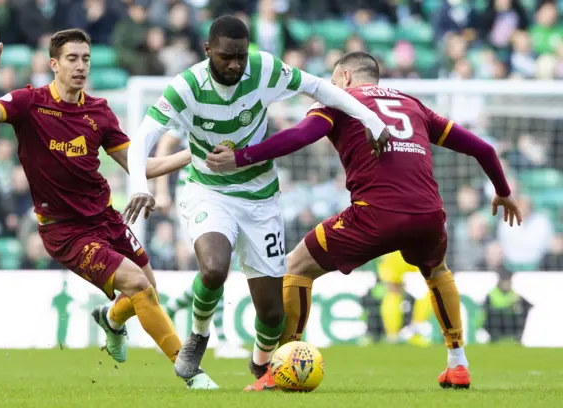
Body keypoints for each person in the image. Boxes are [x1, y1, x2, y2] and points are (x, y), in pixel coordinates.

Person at [205, 51, 523, 390]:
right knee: (437, 272)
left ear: (343, 76)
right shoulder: (413, 105)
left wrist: (241, 157)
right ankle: (458, 364)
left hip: (375, 214)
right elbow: (484, 150)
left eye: (331, 80)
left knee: (296, 267)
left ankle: (281, 367)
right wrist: (503, 191)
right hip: (428, 215)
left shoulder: (338, 100)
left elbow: (299, 137)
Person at [123, 16, 389, 390]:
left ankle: (260, 365)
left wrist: (370, 119)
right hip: (209, 190)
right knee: (214, 267)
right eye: (226, 57)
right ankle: (198, 336)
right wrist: (139, 185)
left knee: (272, 314)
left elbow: (320, 89)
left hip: (261, 197)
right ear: (207, 51)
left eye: (241, 57)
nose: (235, 65)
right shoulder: (186, 87)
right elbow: (144, 137)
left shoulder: (264, 68)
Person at [0, 29, 216, 390]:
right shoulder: (28, 103)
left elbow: (142, 166)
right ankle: (189, 371)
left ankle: (111, 320)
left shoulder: (99, 111)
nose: (81, 66)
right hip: (65, 231)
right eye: (72, 58)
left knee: (147, 292)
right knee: (139, 286)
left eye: (86, 59)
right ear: (54, 64)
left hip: (107, 218)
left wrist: (195, 154)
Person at [154, 129, 251, 359]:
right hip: (196, 190)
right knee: (214, 265)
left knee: (217, 269)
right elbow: (167, 142)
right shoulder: (196, 99)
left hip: (227, 190)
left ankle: (168, 312)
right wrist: (161, 190)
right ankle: (223, 340)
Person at [377, 251, 432, 347]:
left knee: (393, 291)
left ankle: (392, 336)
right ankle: (417, 332)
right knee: (427, 287)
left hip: (393, 248)